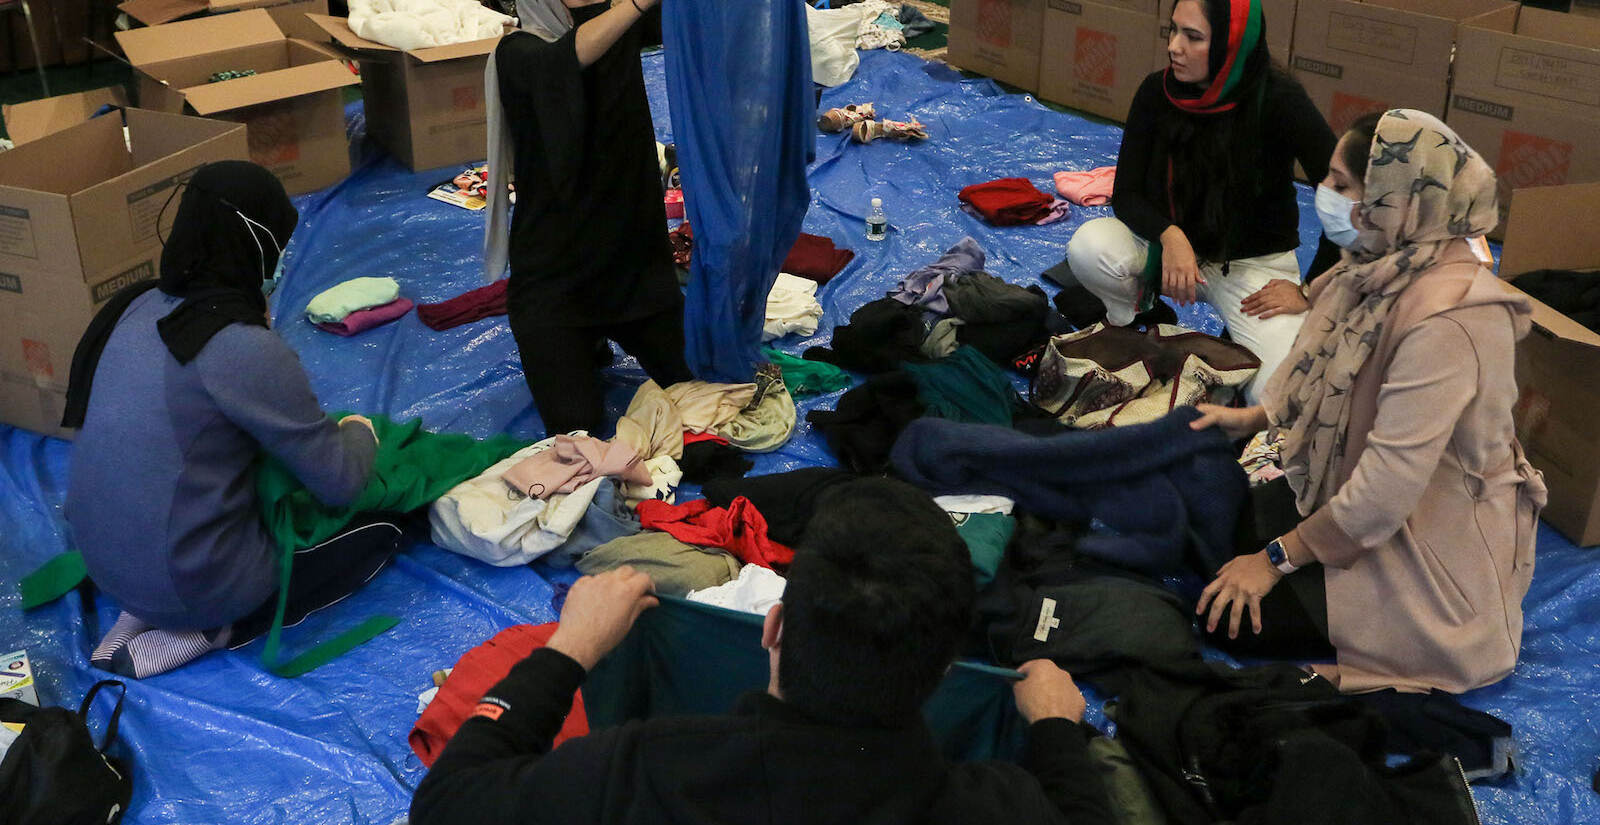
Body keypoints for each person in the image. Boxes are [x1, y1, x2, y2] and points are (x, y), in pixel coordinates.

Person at [411, 478, 1114, 824]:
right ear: (938, 671)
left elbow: (446, 802)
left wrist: (567, 651)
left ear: (773, 627)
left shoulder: (646, 768)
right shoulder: (992, 806)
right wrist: (1055, 729)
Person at [1190, 110, 1547, 694]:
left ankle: (1401, 635)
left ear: (1396, 197)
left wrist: (1274, 561)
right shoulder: (1374, 271)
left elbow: (1385, 491)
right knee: (1223, 519)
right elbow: (1319, 377)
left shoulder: (1449, 320)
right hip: (1358, 495)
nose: (1324, 196)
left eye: (1340, 185)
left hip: (1424, 543)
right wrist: (1253, 419)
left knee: (1226, 617)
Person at [62, 161, 408, 679]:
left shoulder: (133, 306)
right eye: (283, 247)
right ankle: (213, 629)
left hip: (105, 565)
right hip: (192, 586)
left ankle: (147, 608)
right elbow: (342, 483)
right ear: (258, 246)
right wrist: (360, 430)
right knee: (386, 529)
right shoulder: (241, 348)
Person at [1063, 0, 1339, 401]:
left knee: (1279, 395)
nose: (1175, 46)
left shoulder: (1279, 99)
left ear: (1231, 45)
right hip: (1168, 255)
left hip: (1249, 267)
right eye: (1173, 31)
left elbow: (1344, 196)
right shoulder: (1157, 92)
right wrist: (1170, 235)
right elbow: (1126, 194)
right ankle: (1139, 316)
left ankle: (1239, 342)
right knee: (1090, 247)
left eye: (1193, 37)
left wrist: (1309, 289)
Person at [484, 0, 692, 437]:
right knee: (575, 431)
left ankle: (605, 339)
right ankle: (585, 344)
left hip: (638, 276)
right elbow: (564, 61)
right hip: (556, 287)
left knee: (697, 389)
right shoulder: (519, 52)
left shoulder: (622, 26)